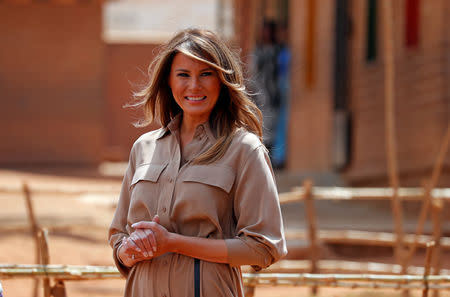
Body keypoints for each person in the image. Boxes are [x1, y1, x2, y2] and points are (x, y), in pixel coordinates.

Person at [109, 28, 287, 297]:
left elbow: (264, 247)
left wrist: (173, 243)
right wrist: (129, 249)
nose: (194, 86)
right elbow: (118, 236)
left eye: (206, 74)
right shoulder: (143, 148)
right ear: (168, 81)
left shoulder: (244, 150)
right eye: (183, 75)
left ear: (222, 81)